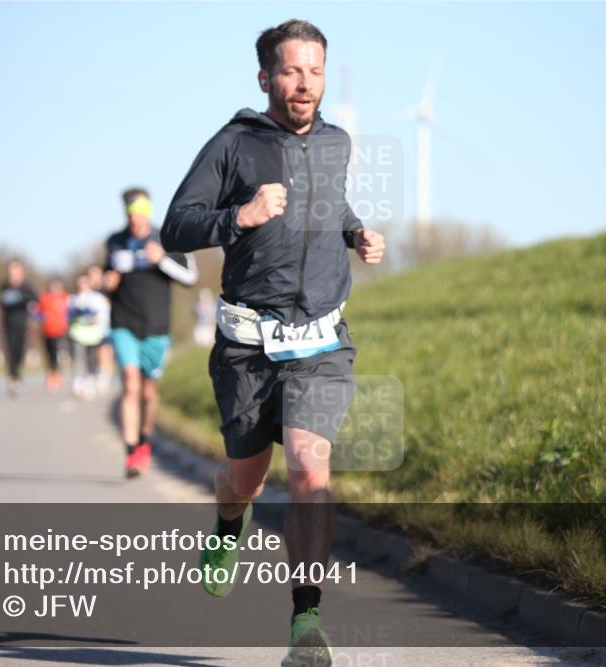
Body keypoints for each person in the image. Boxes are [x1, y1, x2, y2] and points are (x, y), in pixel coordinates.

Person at [161, 19, 385, 667]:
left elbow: (331, 205)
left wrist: (357, 234)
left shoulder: (338, 142)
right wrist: (240, 216)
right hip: (247, 345)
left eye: (314, 70)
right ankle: (230, 523)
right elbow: (177, 226)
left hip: (321, 338)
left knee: (312, 467)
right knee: (246, 478)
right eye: (291, 70)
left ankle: (306, 621)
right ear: (265, 78)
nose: (305, 82)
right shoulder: (234, 144)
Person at [106, 188, 199, 477]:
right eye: (130, 212)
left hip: (157, 327)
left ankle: (145, 439)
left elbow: (190, 278)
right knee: (131, 385)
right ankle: (131, 451)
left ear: (148, 211)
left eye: (140, 211)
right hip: (123, 324)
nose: (135, 218)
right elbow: (106, 276)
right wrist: (105, 282)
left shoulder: (166, 238)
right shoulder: (115, 242)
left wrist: (162, 260)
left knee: (148, 391)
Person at [0, 259, 38, 395]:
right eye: (11, 271)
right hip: (8, 324)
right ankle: (12, 376)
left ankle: (16, 372)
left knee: (19, 351)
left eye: (16, 271)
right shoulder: (4, 286)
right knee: (10, 350)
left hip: (22, 324)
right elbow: (0, 301)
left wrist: (24, 301)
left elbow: (35, 300)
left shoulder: (26, 287)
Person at [68, 273, 110, 400]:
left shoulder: (97, 299)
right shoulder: (73, 299)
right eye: (79, 283)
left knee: (92, 359)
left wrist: (101, 329)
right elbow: (69, 317)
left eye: (84, 282)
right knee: (79, 358)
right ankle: (79, 380)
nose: (82, 285)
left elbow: (103, 317)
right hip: (78, 334)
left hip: (93, 335)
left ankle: (90, 381)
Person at [87, 264, 116, 394]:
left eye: (96, 274)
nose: (93, 277)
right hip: (91, 328)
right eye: (91, 275)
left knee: (105, 351)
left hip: (107, 326)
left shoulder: (108, 290)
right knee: (95, 352)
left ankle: (105, 376)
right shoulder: (88, 292)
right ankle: (95, 374)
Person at [37, 278, 69, 391]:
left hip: (59, 331)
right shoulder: (44, 298)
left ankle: (57, 376)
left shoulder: (64, 297)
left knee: (57, 354)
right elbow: (38, 312)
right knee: (49, 354)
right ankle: (50, 375)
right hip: (47, 331)